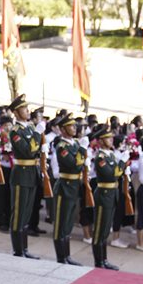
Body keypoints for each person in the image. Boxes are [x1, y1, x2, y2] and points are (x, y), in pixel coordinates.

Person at [8, 94, 40, 259]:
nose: (28, 111)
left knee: (27, 213)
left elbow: (37, 150)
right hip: (21, 174)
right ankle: (18, 249)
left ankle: (25, 249)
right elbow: (28, 150)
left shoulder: (29, 129)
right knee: (19, 213)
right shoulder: (15, 131)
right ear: (16, 112)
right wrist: (37, 137)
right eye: (24, 108)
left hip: (31, 174)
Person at [50, 112, 84, 265]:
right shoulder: (61, 146)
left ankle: (67, 256)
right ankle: (61, 257)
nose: (74, 128)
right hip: (64, 187)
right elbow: (74, 164)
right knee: (61, 223)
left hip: (74, 186)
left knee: (69, 222)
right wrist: (83, 151)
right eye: (70, 126)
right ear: (63, 130)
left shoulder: (75, 144)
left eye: (74, 125)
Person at [89, 124, 120, 270]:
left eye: (111, 137)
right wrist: (121, 163)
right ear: (101, 141)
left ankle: (104, 259)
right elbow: (112, 174)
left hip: (111, 194)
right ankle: (98, 261)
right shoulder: (100, 157)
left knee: (106, 230)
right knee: (99, 230)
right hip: (103, 195)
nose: (111, 139)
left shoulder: (110, 155)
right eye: (107, 138)